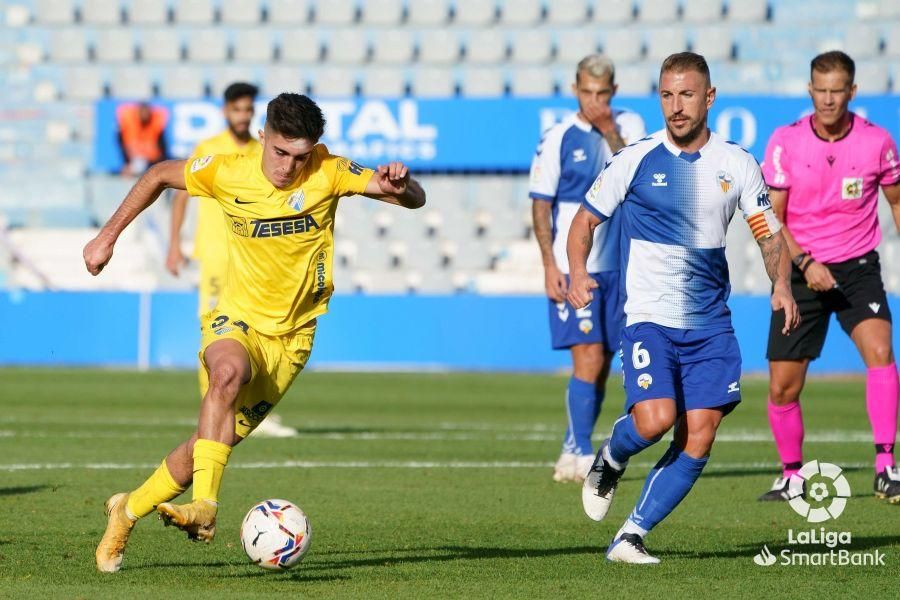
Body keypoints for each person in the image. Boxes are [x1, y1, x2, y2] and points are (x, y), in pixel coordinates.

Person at [84, 93, 426, 573]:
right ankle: (205, 507)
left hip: (293, 340)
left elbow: (412, 200)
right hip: (237, 318)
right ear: (264, 136)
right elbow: (159, 173)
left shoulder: (329, 170)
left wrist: (403, 184)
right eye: (281, 152)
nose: (289, 166)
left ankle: (128, 510)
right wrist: (107, 236)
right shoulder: (228, 170)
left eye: (301, 156)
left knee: (206, 446)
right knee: (225, 373)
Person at [567, 52, 799, 564]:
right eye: (667, 95)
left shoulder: (736, 163)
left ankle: (630, 535)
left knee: (700, 433)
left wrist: (781, 284)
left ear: (709, 98)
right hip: (650, 318)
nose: (676, 106)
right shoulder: (635, 157)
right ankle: (611, 455)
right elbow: (583, 222)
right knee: (653, 421)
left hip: (711, 324)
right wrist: (578, 270)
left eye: (687, 94)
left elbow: (769, 235)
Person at [759, 50, 900, 503]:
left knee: (880, 351)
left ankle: (885, 466)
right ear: (809, 91)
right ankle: (791, 475)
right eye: (820, 90)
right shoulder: (785, 141)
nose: (827, 99)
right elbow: (772, 219)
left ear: (852, 92)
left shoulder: (878, 141)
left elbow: (896, 201)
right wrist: (803, 265)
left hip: (859, 267)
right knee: (783, 386)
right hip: (801, 269)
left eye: (837, 90)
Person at [529, 54, 646, 483]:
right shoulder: (558, 136)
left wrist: (608, 130)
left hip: (621, 266)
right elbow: (541, 204)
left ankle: (569, 446)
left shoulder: (629, 128)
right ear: (575, 90)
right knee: (589, 359)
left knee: (605, 360)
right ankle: (580, 452)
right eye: (587, 92)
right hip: (574, 265)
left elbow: (635, 175)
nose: (595, 100)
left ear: (613, 92)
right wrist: (549, 265)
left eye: (603, 93)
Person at [165, 82, 295, 438]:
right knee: (214, 335)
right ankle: (214, 412)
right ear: (225, 111)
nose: (242, 115)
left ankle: (250, 411)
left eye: (248, 109)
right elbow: (180, 195)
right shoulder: (209, 149)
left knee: (259, 334)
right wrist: (174, 244)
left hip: (256, 260)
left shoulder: (265, 151)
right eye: (236, 109)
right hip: (216, 256)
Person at [116, 101, 168, 176]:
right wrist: (127, 162)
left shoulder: (156, 122)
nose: (144, 115)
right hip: (133, 158)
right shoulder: (128, 121)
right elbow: (121, 142)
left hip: (151, 160)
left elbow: (162, 146)